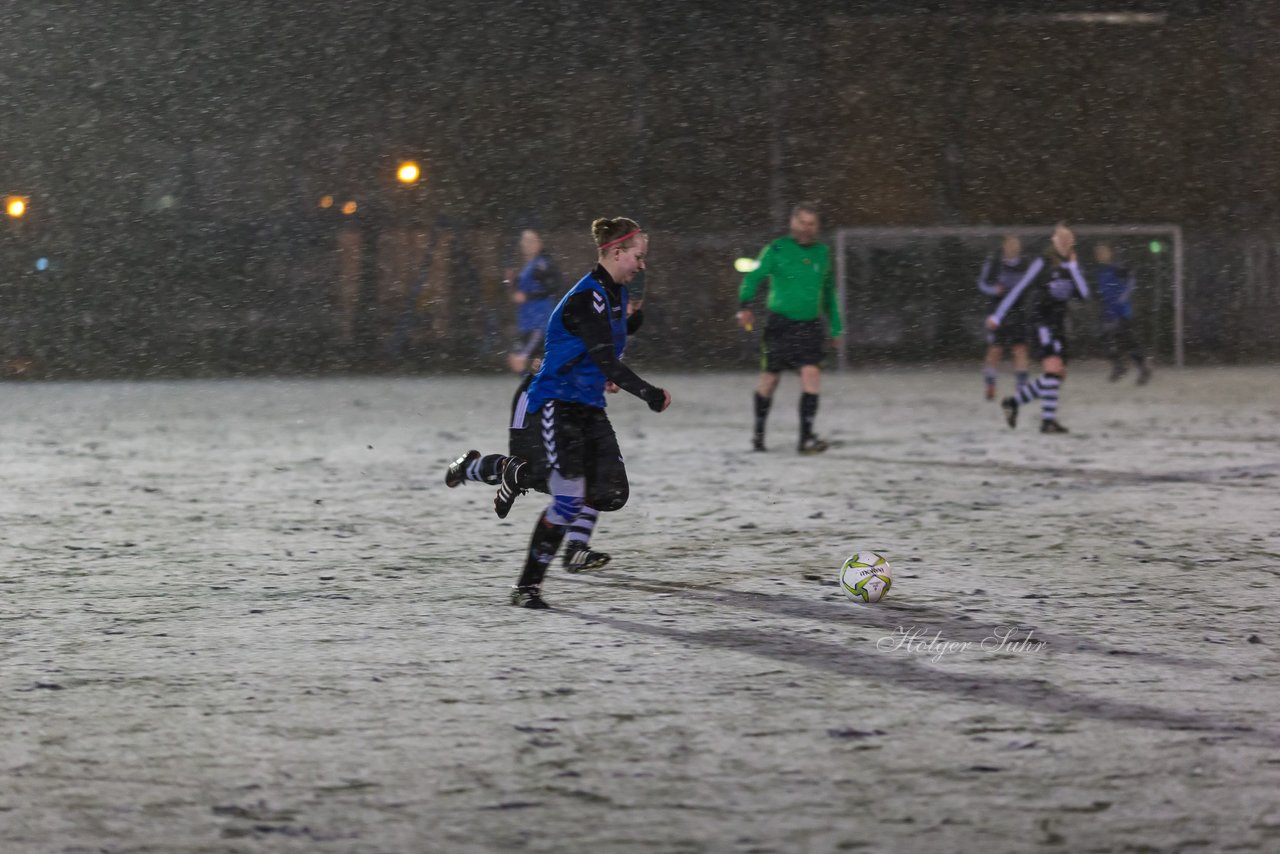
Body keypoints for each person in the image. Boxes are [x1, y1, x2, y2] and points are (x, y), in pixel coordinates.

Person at [480, 216, 670, 609]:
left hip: (588, 407)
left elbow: (605, 350)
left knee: (612, 493)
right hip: (556, 405)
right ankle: (527, 587)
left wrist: (618, 350)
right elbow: (605, 359)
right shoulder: (587, 298)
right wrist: (649, 393)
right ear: (617, 252)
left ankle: (523, 475)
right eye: (639, 255)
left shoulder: (616, 294)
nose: (642, 264)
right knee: (568, 499)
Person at [736, 202, 843, 454]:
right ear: (792, 223)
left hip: (810, 326)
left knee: (811, 376)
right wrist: (744, 306)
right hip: (780, 325)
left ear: (817, 227)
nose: (806, 228)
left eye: (811, 224)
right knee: (769, 380)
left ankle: (806, 438)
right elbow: (753, 278)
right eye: (802, 222)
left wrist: (837, 328)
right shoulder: (777, 249)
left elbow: (829, 293)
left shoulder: (822, 253)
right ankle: (758, 434)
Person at [988, 223, 1090, 434]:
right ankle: (1047, 422)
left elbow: (1084, 295)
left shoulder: (1072, 265)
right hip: (1041, 322)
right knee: (1052, 369)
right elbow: (1019, 288)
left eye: (1068, 238)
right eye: (1060, 237)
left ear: (1072, 241)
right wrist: (998, 315)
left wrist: (1072, 269)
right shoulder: (1042, 262)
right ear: (1053, 240)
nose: (1064, 241)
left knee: (1057, 375)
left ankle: (1014, 403)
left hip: (1058, 324)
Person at [977, 235, 1033, 400]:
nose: (1012, 248)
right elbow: (981, 284)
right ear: (1004, 246)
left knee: (1020, 349)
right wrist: (995, 290)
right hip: (998, 312)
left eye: (1015, 245)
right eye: (1009, 245)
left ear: (1019, 248)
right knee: (995, 349)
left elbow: (1032, 285)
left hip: (1019, 311)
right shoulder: (994, 263)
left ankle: (1021, 387)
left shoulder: (1026, 264)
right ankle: (990, 385)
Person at [1094, 242, 1152, 384]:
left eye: (1104, 252)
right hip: (1109, 313)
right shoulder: (1100, 272)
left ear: (1110, 253)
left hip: (1122, 312)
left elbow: (1132, 278)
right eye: (1098, 254)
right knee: (1106, 338)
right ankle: (1119, 366)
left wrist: (1123, 298)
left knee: (1129, 341)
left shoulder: (1116, 268)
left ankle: (1143, 368)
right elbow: (1104, 292)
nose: (1101, 255)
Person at [506, 229, 562, 374]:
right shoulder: (527, 266)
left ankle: (533, 393)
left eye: (531, 241)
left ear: (539, 244)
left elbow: (554, 286)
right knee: (528, 362)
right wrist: (512, 282)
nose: (527, 245)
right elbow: (520, 294)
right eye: (525, 241)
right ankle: (539, 392)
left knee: (519, 360)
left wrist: (528, 296)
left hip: (538, 323)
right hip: (526, 324)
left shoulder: (542, 264)